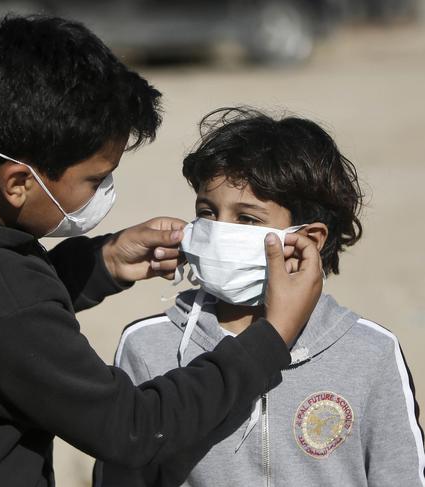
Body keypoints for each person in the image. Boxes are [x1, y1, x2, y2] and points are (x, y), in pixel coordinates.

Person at [0, 18, 323, 487]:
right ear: (16, 183)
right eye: (95, 179)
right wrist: (269, 338)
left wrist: (98, 264)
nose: (104, 191)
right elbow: (134, 429)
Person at [95, 107, 425, 486]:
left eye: (247, 219)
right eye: (208, 212)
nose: (219, 231)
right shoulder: (149, 345)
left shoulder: (369, 352)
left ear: (308, 240)